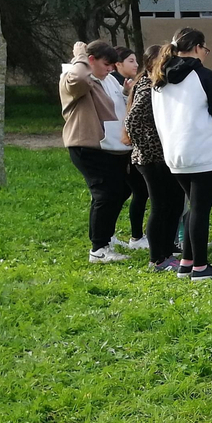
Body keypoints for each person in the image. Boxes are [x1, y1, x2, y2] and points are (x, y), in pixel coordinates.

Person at [150, 27, 212, 282]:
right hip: (203, 150)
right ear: (197, 47)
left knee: (193, 207)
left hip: (175, 153)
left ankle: (186, 262)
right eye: (205, 49)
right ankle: (200, 267)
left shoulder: (159, 77)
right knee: (199, 210)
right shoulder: (203, 75)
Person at [60, 40, 132, 264]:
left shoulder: (105, 78)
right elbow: (79, 78)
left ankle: (106, 237)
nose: (110, 68)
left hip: (109, 147)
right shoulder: (74, 77)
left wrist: (125, 92)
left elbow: (114, 104)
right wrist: (80, 56)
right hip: (86, 145)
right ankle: (98, 249)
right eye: (106, 63)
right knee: (105, 193)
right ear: (91, 60)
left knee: (121, 190)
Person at [124, 44, 182, 271]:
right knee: (161, 205)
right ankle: (157, 258)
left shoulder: (157, 86)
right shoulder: (148, 88)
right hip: (152, 159)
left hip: (161, 157)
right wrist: (148, 150)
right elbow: (133, 121)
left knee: (174, 203)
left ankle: (168, 249)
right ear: (152, 64)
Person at [111, 46, 150, 251]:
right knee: (140, 190)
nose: (136, 65)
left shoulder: (127, 85)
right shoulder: (116, 84)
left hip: (127, 147)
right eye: (131, 61)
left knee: (126, 191)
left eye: (136, 61)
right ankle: (136, 237)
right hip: (125, 148)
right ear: (118, 64)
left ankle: (108, 233)